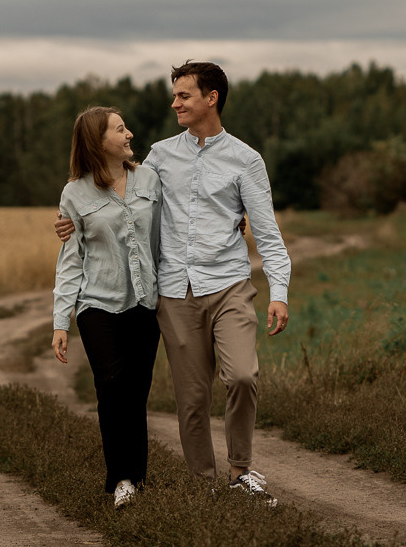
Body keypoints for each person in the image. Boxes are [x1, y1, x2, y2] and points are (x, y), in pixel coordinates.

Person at [57, 60, 290, 503]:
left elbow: (269, 234)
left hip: (229, 284)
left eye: (184, 95)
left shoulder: (246, 160)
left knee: (242, 375)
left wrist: (279, 292)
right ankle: (203, 484)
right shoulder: (160, 156)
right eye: (176, 94)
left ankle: (241, 471)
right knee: (191, 397)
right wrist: (70, 220)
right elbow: (116, 193)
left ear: (211, 98)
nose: (175, 102)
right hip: (174, 292)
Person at [51, 105, 162, 510]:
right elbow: (70, 259)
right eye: (120, 129)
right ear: (98, 141)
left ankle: (138, 479)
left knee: (136, 393)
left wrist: (233, 223)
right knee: (112, 386)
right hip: (97, 304)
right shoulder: (74, 194)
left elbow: (174, 228)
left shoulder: (149, 179)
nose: (129, 134)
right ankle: (121, 480)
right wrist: (61, 320)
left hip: (145, 303)